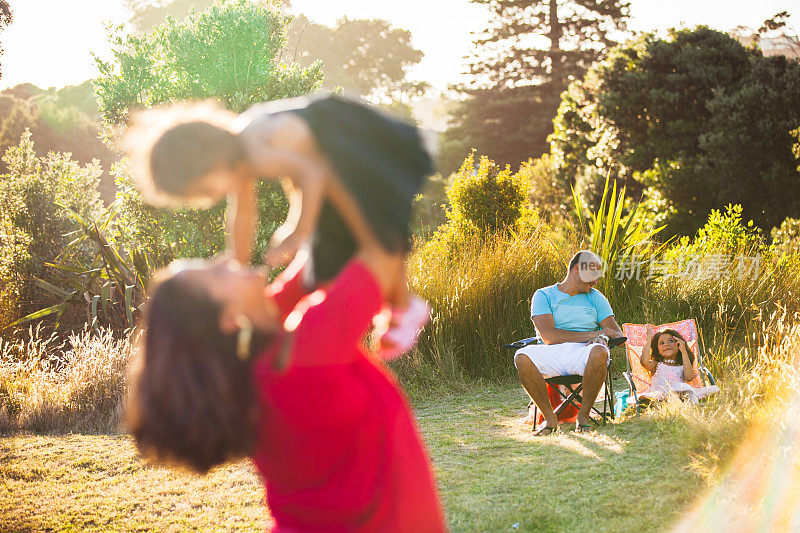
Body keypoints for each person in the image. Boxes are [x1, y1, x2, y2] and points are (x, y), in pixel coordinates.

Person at [127, 179, 447, 531]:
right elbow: (384, 243)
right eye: (216, 272)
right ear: (230, 319)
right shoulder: (302, 354)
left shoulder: (260, 354)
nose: (225, 259)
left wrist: (279, 177)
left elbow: (322, 256)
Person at [122, 92, 432, 359]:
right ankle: (393, 304)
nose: (210, 197)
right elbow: (242, 215)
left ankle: (405, 307)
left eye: (204, 190)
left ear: (209, 161)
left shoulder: (254, 148)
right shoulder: (241, 161)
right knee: (340, 244)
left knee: (375, 231)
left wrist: (297, 230)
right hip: (332, 158)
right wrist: (235, 261)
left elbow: (312, 174)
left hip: (354, 140)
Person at [514, 250, 623, 435]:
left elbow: (616, 334)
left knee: (600, 352)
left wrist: (603, 337)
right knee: (522, 356)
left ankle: (583, 416)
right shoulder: (543, 295)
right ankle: (550, 419)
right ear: (577, 269)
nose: (596, 281)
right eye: (593, 274)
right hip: (551, 351)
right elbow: (549, 337)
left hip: (583, 352)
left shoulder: (596, 298)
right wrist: (593, 334)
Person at [638, 327, 719, 404]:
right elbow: (644, 362)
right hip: (660, 393)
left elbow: (689, 377)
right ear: (658, 351)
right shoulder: (656, 364)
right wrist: (649, 336)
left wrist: (683, 351)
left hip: (681, 391)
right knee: (660, 396)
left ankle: (694, 408)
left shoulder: (682, 365)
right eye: (661, 343)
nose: (666, 344)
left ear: (678, 345)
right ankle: (666, 404)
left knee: (690, 392)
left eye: (670, 341)